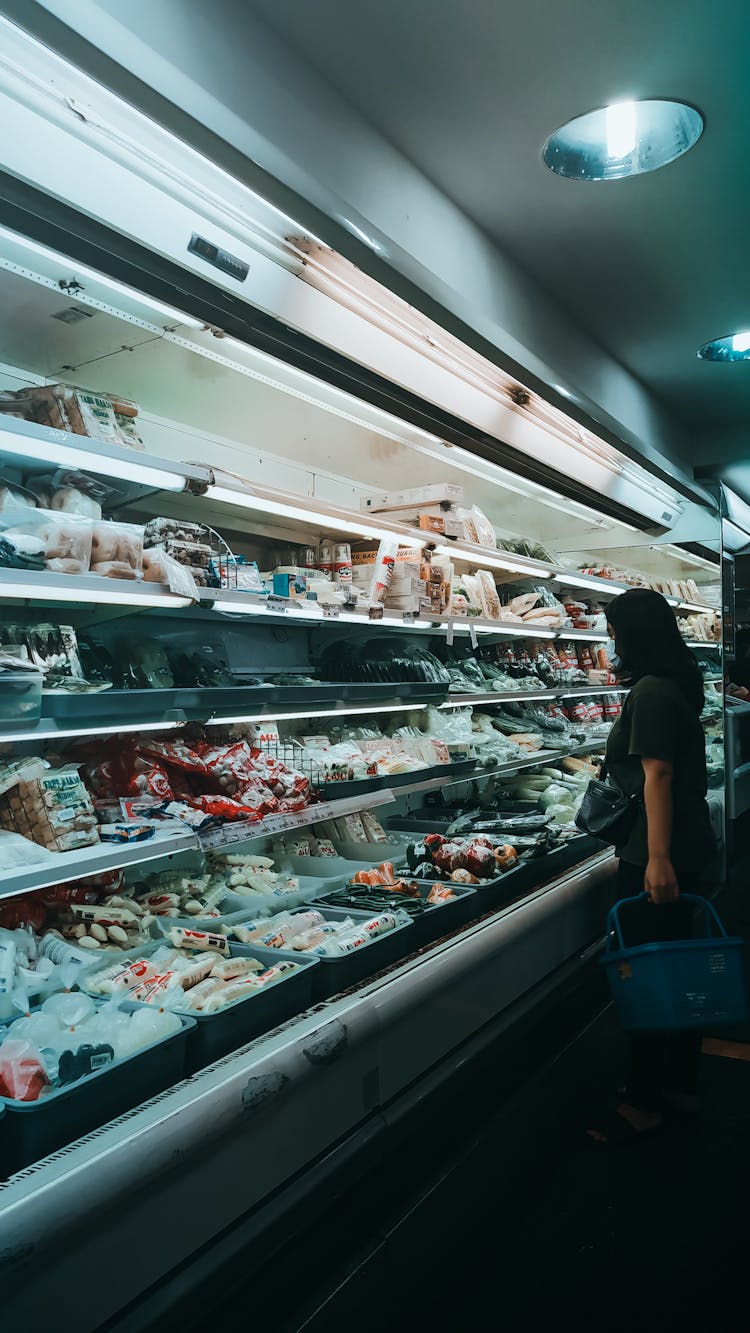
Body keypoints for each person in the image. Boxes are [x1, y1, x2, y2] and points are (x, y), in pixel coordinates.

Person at [587, 587, 715, 1146]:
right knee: (681, 972)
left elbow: (656, 776)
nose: (610, 639)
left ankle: (643, 1102)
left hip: (657, 852)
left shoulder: (653, 693)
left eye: (614, 629)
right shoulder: (674, 685)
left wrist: (657, 861)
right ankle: (680, 1086)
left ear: (632, 634)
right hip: (685, 842)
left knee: (648, 976)